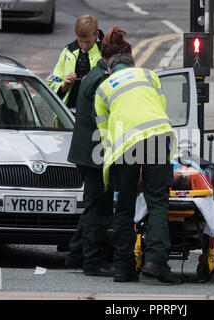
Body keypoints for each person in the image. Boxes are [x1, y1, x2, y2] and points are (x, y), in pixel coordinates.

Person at [94, 53, 180, 284]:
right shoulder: (148, 75)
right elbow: (160, 107)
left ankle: (123, 267)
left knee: (124, 207)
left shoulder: (103, 89)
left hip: (124, 145)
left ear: (110, 69)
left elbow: (104, 134)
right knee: (157, 202)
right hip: (156, 136)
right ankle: (156, 262)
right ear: (132, 65)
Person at [65, 27, 133, 277]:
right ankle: (93, 262)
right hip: (95, 154)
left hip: (87, 151)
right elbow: (107, 120)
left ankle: (75, 254)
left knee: (94, 204)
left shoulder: (95, 73)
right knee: (100, 209)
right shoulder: (104, 80)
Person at [48, 15, 104, 114]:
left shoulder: (105, 53)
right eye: (80, 41)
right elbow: (52, 83)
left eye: (88, 41)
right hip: (68, 114)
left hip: (93, 116)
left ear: (97, 34)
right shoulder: (68, 52)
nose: (84, 46)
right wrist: (64, 85)